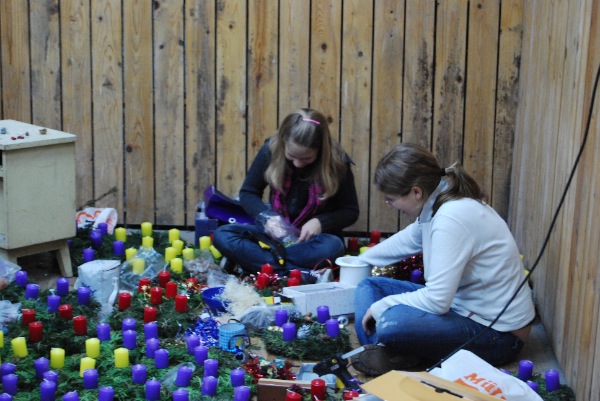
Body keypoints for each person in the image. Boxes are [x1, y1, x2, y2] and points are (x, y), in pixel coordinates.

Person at [351, 143, 535, 376]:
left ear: (416, 192)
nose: (390, 206)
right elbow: (408, 239)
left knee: (390, 322)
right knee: (369, 286)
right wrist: (360, 260)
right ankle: (390, 351)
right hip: (462, 308)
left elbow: (438, 301)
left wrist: (381, 306)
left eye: (391, 199)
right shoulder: (437, 201)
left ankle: (389, 349)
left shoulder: (451, 217)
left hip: (499, 334)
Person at [213, 108, 359, 281]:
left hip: (313, 240)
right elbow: (248, 192)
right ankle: (302, 274)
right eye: (291, 156)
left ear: (321, 149)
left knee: (332, 247)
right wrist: (266, 217)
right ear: (283, 142)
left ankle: (255, 262)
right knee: (223, 235)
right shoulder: (270, 150)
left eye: (306, 158)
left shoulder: (337, 162)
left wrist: (321, 222)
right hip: (274, 234)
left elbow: (350, 211)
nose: (297, 164)